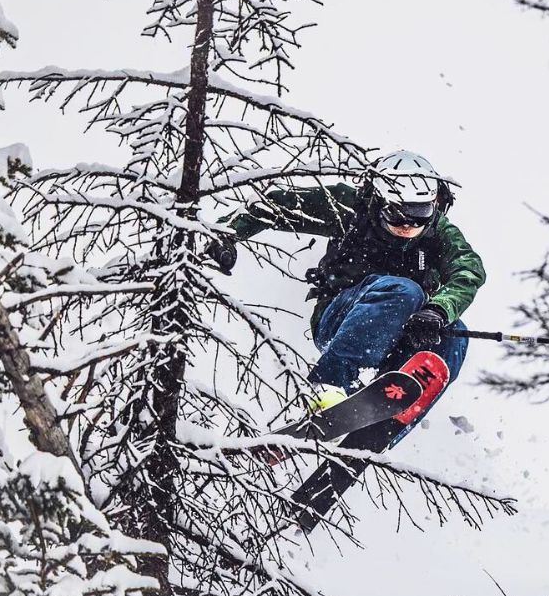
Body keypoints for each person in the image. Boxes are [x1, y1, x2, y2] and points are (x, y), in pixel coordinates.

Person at [208, 150, 486, 426]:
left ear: (434, 204)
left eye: (419, 214)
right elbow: (271, 206)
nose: (408, 225)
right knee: (404, 291)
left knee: (454, 333)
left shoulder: (439, 231)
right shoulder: (349, 208)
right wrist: (225, 235)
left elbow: (468, 268)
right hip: (342, 319)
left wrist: (438, 310)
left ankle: (386, 419)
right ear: (379, 201)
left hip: (402, 336)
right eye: (397, 214)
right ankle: (327, 388)